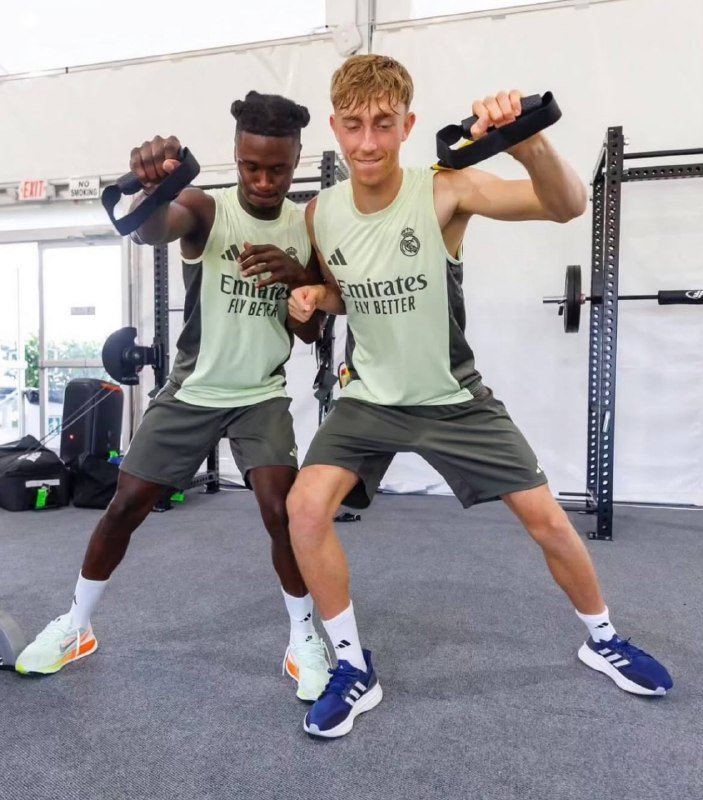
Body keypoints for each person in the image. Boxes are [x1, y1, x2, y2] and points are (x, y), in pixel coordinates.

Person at [283, 55, 673, 738]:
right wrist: (319, 295)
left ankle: (602, 638)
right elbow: (348, 291)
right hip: (369, 398)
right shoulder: (320, 213)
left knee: (547, 520)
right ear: (334, 128)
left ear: (407, 125)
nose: (368, 142)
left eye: (383, 124)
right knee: (304, 507)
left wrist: (524, 139)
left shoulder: (445, 190)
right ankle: (352, 665)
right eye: (353, 125)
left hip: (451, 396)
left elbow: (566, 206)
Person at [16, 91, 333, 702]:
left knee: (281, 511)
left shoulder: (307, 226)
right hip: (193, 390)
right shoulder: (207, 209)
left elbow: (312, 331)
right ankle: (77, 625)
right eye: (250, 166)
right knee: (126, 505)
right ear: (235, 155)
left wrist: (298, 281)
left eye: (278, 169)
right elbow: (152, 229)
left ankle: (303, 638)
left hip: (260, 395)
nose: (264, 181)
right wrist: (152, 188)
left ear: (297, 160)